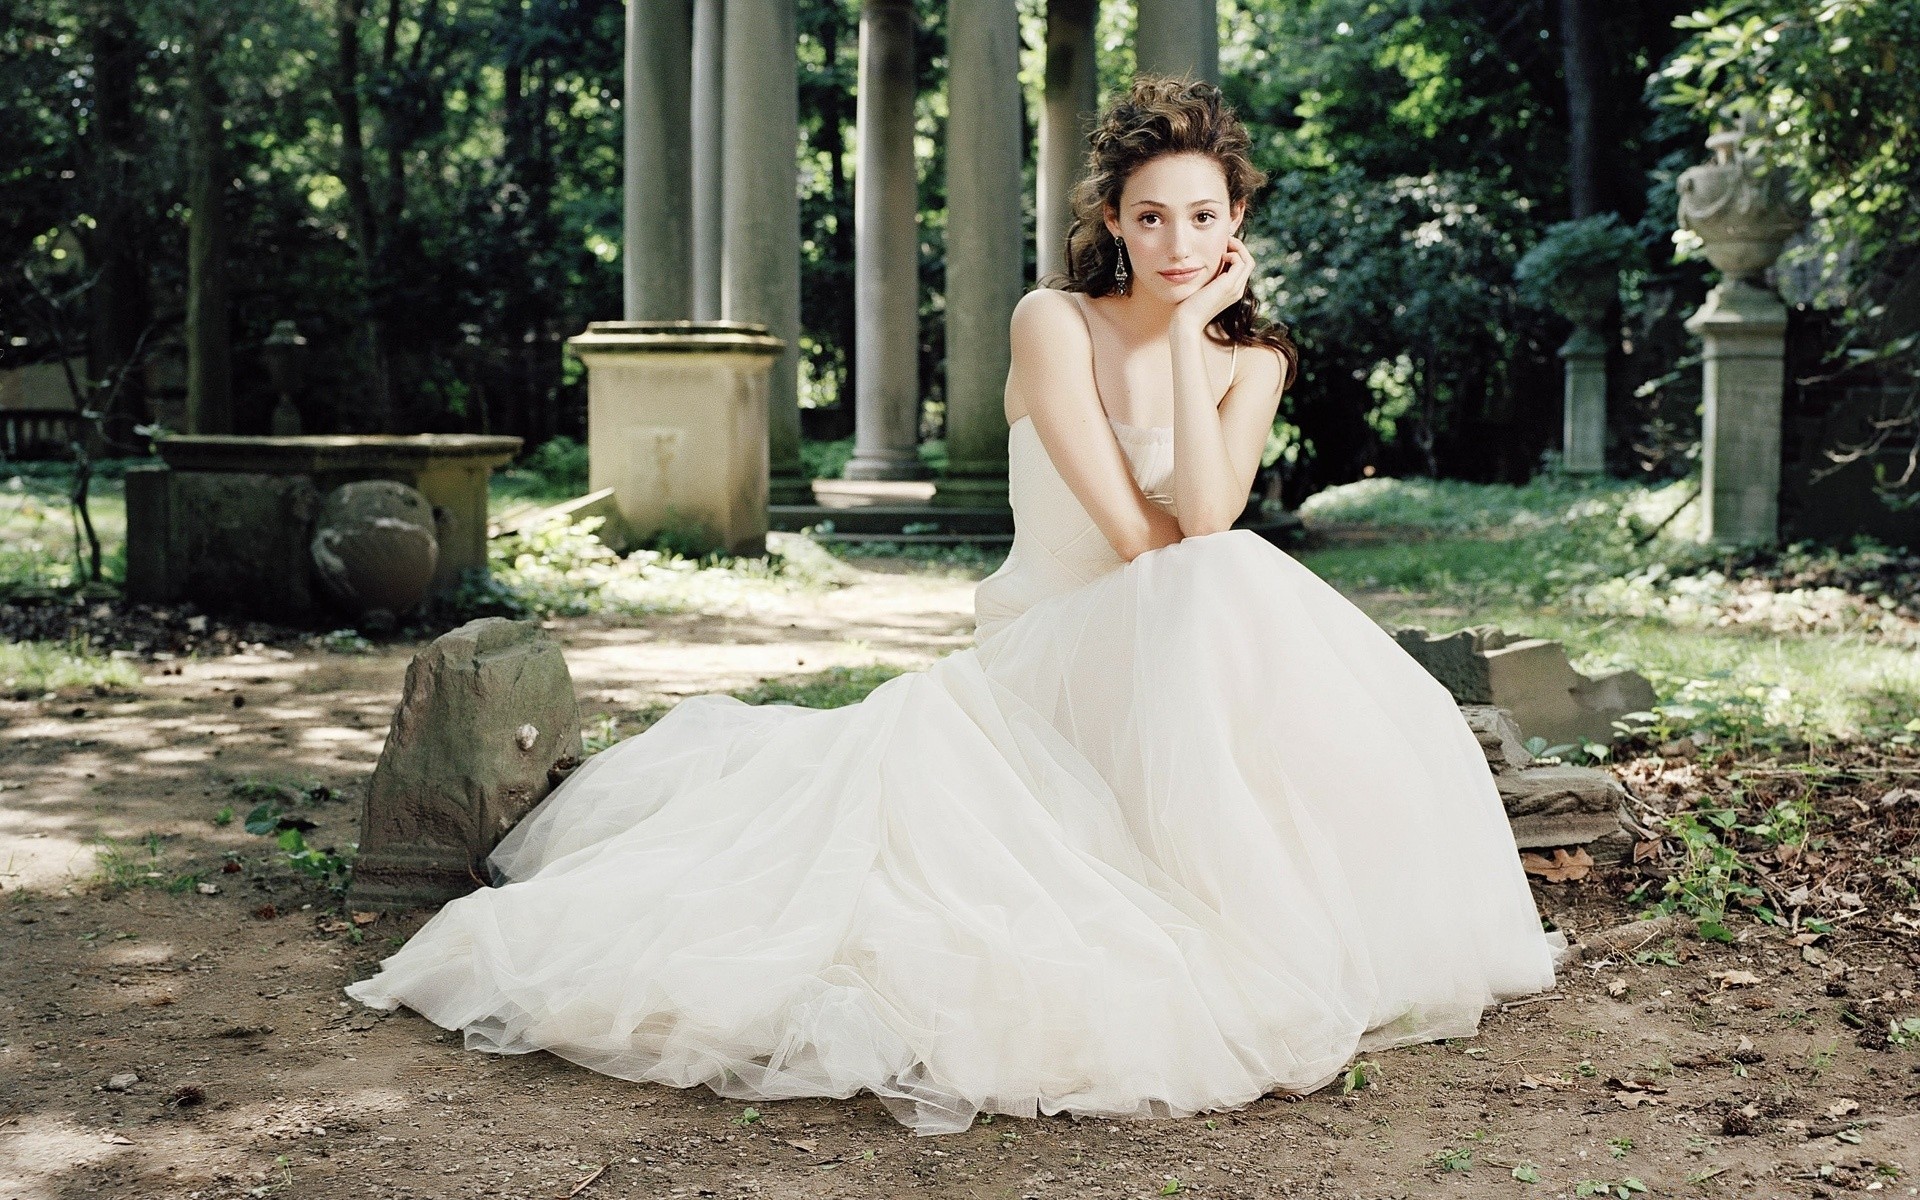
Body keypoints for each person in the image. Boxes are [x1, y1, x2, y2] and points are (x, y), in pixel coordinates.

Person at [345, 75, 1564, 1137]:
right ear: (1113, 222)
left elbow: (1209, 515)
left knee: (1231, 572)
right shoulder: (1055, 322)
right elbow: (1154, 539)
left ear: (1237, 220)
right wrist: (1183, 347)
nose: (1178, 244)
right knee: (1222, 569)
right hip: (1050, 654)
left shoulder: (1253, 358)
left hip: (1177, 644)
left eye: (1203, 217)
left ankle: (1278, 898)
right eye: (1152, 219)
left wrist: (1196, 340)